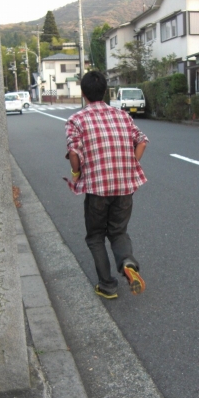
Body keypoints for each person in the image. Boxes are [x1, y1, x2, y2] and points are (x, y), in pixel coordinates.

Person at [65, 71, 148, 299]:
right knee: (118, 231)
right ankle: (127, 262)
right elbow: (142, 141)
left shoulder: (77, 120)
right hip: (124, 187)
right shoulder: (122, 116)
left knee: (95, 236)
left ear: (83, 93)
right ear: (105, 92)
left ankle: (108, 286)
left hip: (97, 189)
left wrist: (76, 173)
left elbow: (74, 152)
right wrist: (130, 164)